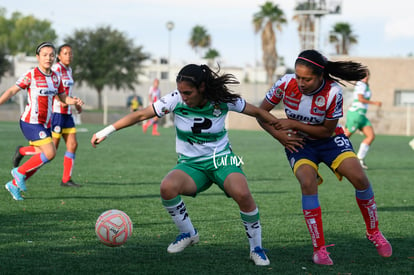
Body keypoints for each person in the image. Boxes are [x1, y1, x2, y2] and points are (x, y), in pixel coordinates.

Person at [91, 64, 280, 266]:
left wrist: (284, 132)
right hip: (191, 165)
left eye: (188, 92)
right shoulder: (175, 99)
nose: (183, 97)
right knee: (167, 187)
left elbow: (258, 112)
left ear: (202, 88)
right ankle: (188, 233)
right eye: (181, 92)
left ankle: (256, 248)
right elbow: (140, 115)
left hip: (222, 160)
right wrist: (106, 131)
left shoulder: (223, 100)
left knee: (243, 194)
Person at [258, 50, 392, 265]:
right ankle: (319, 249)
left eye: (307, 79)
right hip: (299, 144)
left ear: (321, 76)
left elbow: (326, 131)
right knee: (307, 181)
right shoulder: (285, 83)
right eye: (298, 77)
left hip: (328, 140)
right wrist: (280, 136)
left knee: (360, 178)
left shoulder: (333, 92)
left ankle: (373, 232)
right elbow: (261, 113)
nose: (301, 82)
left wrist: (292, 123)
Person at [0, 41, 83, 200]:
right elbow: (11, 90)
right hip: (30, 122)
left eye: (51, 55)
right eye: (45, 55)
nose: (48, 58)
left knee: (41, 157)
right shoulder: (31, 74)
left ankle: (14, 184)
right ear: (37, 57)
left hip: (45, 124)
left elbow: (61, 97)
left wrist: (73, 101)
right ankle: (19, 172)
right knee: (51, 153)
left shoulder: (55, 77)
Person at [50, 43, 81, 187]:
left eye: (70, 53)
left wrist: (74, 102)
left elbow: (66, 91)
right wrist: (59, 100)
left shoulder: (69, 69)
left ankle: (66, 179)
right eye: (65, 53)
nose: (69, 56)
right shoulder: (56, 69)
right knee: (51, 151)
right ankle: (22, 152)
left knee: (73, 144)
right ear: (59, 56)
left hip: (68, 114)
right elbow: (53, 87)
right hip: (57, 113)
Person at [344, 69, 382, 169]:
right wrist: (375, 103)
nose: (365, 77)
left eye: (366, 75)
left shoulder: (365, 86)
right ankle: (332, 154)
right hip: (356, 114)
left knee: (371, 136)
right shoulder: (360, 85)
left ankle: (360, 159)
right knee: (345, 137)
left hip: (362, 116)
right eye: (362, 75)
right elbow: (360, 99)